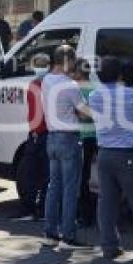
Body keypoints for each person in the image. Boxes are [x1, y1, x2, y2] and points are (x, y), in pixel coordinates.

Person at [88, 56, 133, 260]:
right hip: (127, 154)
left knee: (106, 202)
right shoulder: (132, 94)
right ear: (120, 74)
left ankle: (109, 246)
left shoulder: (94, 95)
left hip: (104, 153)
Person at [40, 45, 89, 247]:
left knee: (54, 187)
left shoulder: (46, 80)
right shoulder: (70, 85)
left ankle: (50, 232)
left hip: (52, 137)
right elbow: (84, 112)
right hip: (68, 138)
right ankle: (69, 234)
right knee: (70, 189)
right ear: (67, 61)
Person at [13, 53, 50, 220]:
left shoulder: (41, 85)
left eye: (42, 64)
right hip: (41, 133)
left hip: (40, 134)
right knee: (41, 174)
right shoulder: (38, 84)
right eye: (38, 64)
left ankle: (33, 210)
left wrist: (35, 131)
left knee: (33, 174)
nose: (39, 68)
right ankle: (38, 210)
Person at [73, 58, 98, 227]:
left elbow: (85, 115)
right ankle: (85, 215)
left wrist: (71, 110)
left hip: (83, 136)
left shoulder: (80, 89)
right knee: (85, 177)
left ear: (79, 72)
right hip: (93, 136)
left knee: (81, 179)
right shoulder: (95, 88)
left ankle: (84, 216)